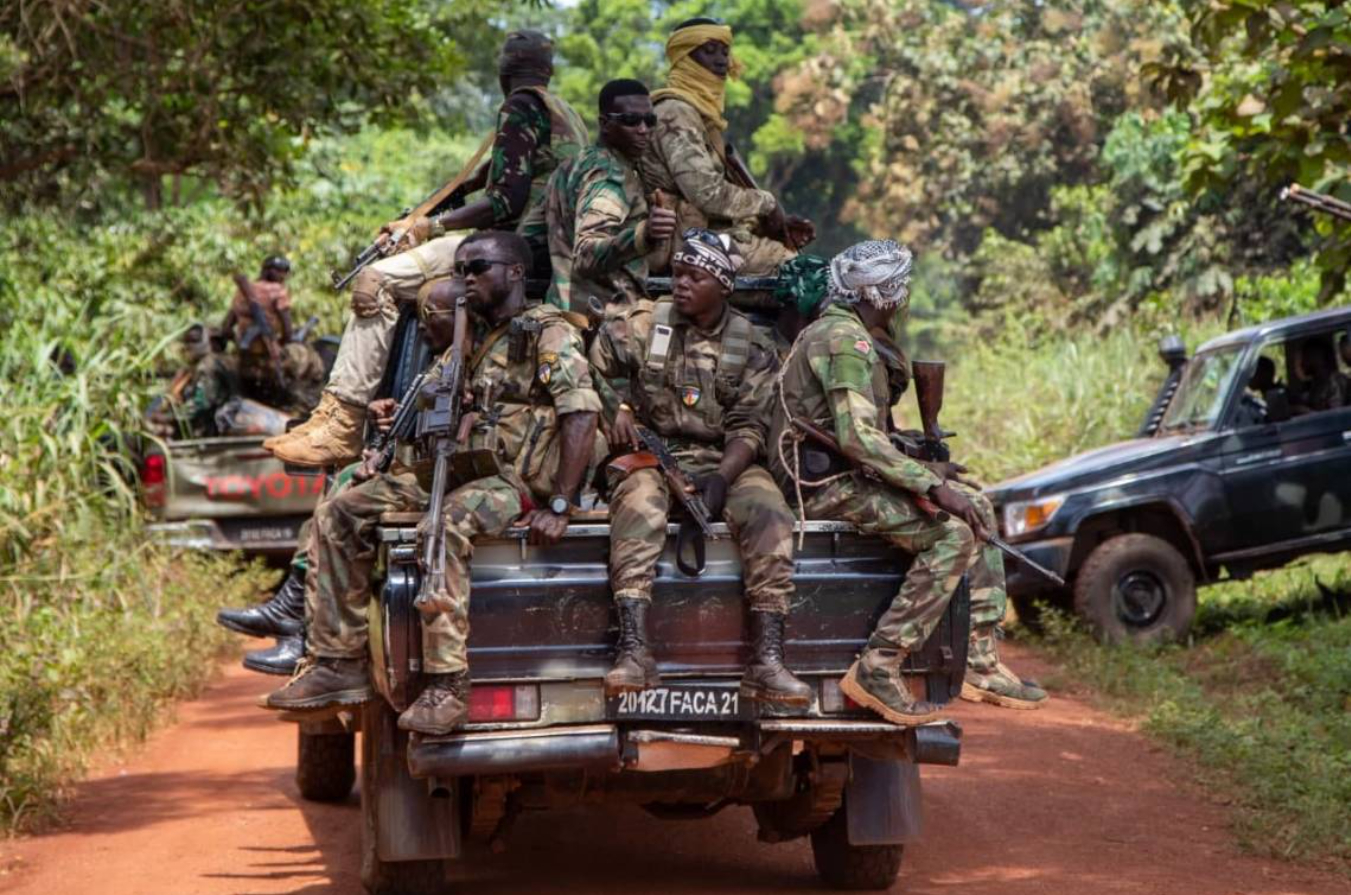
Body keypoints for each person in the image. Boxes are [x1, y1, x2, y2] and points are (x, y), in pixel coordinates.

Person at [266, 233, 601, 735]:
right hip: (464, 468)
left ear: (513, 273)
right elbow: (427, 405)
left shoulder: (545, 333)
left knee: (441, 527)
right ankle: (338, 662)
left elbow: (581, 415)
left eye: (478, 267)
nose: (466, 277)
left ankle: (448, 683)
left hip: (513, 483)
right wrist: (393, 414)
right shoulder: (474, 342)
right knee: (339, 513)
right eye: (461, 268)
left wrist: (560, 502)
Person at [265, 30, 589, 469]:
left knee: (374, 281)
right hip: (543, 247)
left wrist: (426, 226)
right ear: (548, 70)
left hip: (513, 241)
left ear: (503, 71)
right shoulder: (563, 113)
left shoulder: (519, 107)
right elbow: (484, 185)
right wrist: (421, 215)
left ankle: (341, 421)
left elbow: (504, 201)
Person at [770, 240, 1047, 725]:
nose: (902, 301)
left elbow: (865, 435)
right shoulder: (845, 341)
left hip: (841, 476)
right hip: (822, 488)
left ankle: (980, 661)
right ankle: (879, 665)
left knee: (976, 506)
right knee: (951, 532)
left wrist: (928, 469)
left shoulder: (847, 335)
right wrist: (932, 488)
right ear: (879, 295)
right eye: (898, 290)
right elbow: (856, 437)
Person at [589, 229, 811, 706]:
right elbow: (592, 375)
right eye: (678, 273)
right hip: (649, 452)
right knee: (638, 502)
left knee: (770, 511)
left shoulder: (752, 345)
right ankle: (633, 650)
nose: (681, 283)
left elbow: (750, 425)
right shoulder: (642, 324)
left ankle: (767, 660)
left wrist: (721, 481)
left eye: (695, 276)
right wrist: (619, 411)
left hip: (720, 457)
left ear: (724, 286)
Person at [638, 18, 814, 275]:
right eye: (708, 51)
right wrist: (766, 203)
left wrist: (774, 223)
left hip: (701, 236)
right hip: (682, 244)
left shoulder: (701, 115)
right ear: (685, 56)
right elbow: (706, 193)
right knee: (797, 272)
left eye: (724, 51)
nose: (721, 60)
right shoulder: (675, 111)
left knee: (796, 262)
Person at [538, 78, 679, 321]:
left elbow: (531, 234)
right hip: (608, 322)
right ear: (604, 124)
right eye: (630, 121)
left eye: (649, 120)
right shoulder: (611, 175)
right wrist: (644, 235)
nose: (643, 129)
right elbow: (585, 254)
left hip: (565, 317)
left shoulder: (571, 167)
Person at [221, 255, 324, 413]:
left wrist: (239, 343)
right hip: (269, 358)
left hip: (245, 358)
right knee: (313, 360)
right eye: (280, 271)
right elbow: (288, 334)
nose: (283, 276)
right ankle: (305, 406)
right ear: (268, 271)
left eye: (285, 272)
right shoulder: (277, 291)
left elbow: (226, 329)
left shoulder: (242, 291)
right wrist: (278, 342)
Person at [148, 323, 238, 438]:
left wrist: (171, 417)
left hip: (210, 426)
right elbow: (170, 393)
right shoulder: (198, 366)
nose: (187, 347)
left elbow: (201, 402)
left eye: (192, 342)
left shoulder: (207, 366)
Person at [1290, 338, 1346, 414]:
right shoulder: (1315, 384)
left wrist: (1305, 411)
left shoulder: (1336, 382)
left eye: (1304, 358)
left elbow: (1337, 416)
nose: (1300, 364)